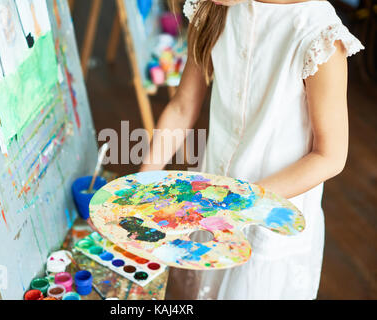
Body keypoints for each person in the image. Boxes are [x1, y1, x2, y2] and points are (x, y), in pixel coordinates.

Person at [139, 0, 364, 299]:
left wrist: (236, 202)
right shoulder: (212, 9)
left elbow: (329, 156)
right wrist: (139, 189)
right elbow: (182, 107)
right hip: (208, 206)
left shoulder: (319, 35)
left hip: (267, 229)